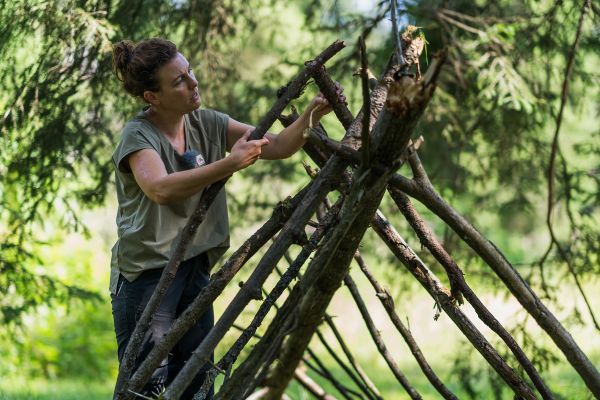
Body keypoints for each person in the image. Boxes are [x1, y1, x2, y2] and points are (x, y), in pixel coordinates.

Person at [109, 38, 344, 399]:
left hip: (193, 266)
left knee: (195, 379)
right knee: (145, 385)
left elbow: (277, 146)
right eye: (179, 81)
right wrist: (229, 163)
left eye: (189, 73)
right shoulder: (138, 135)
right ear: (151, 97)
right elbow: (160, 188)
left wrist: (312, 113)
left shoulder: (207, 123)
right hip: (145, 276)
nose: (193, 83)